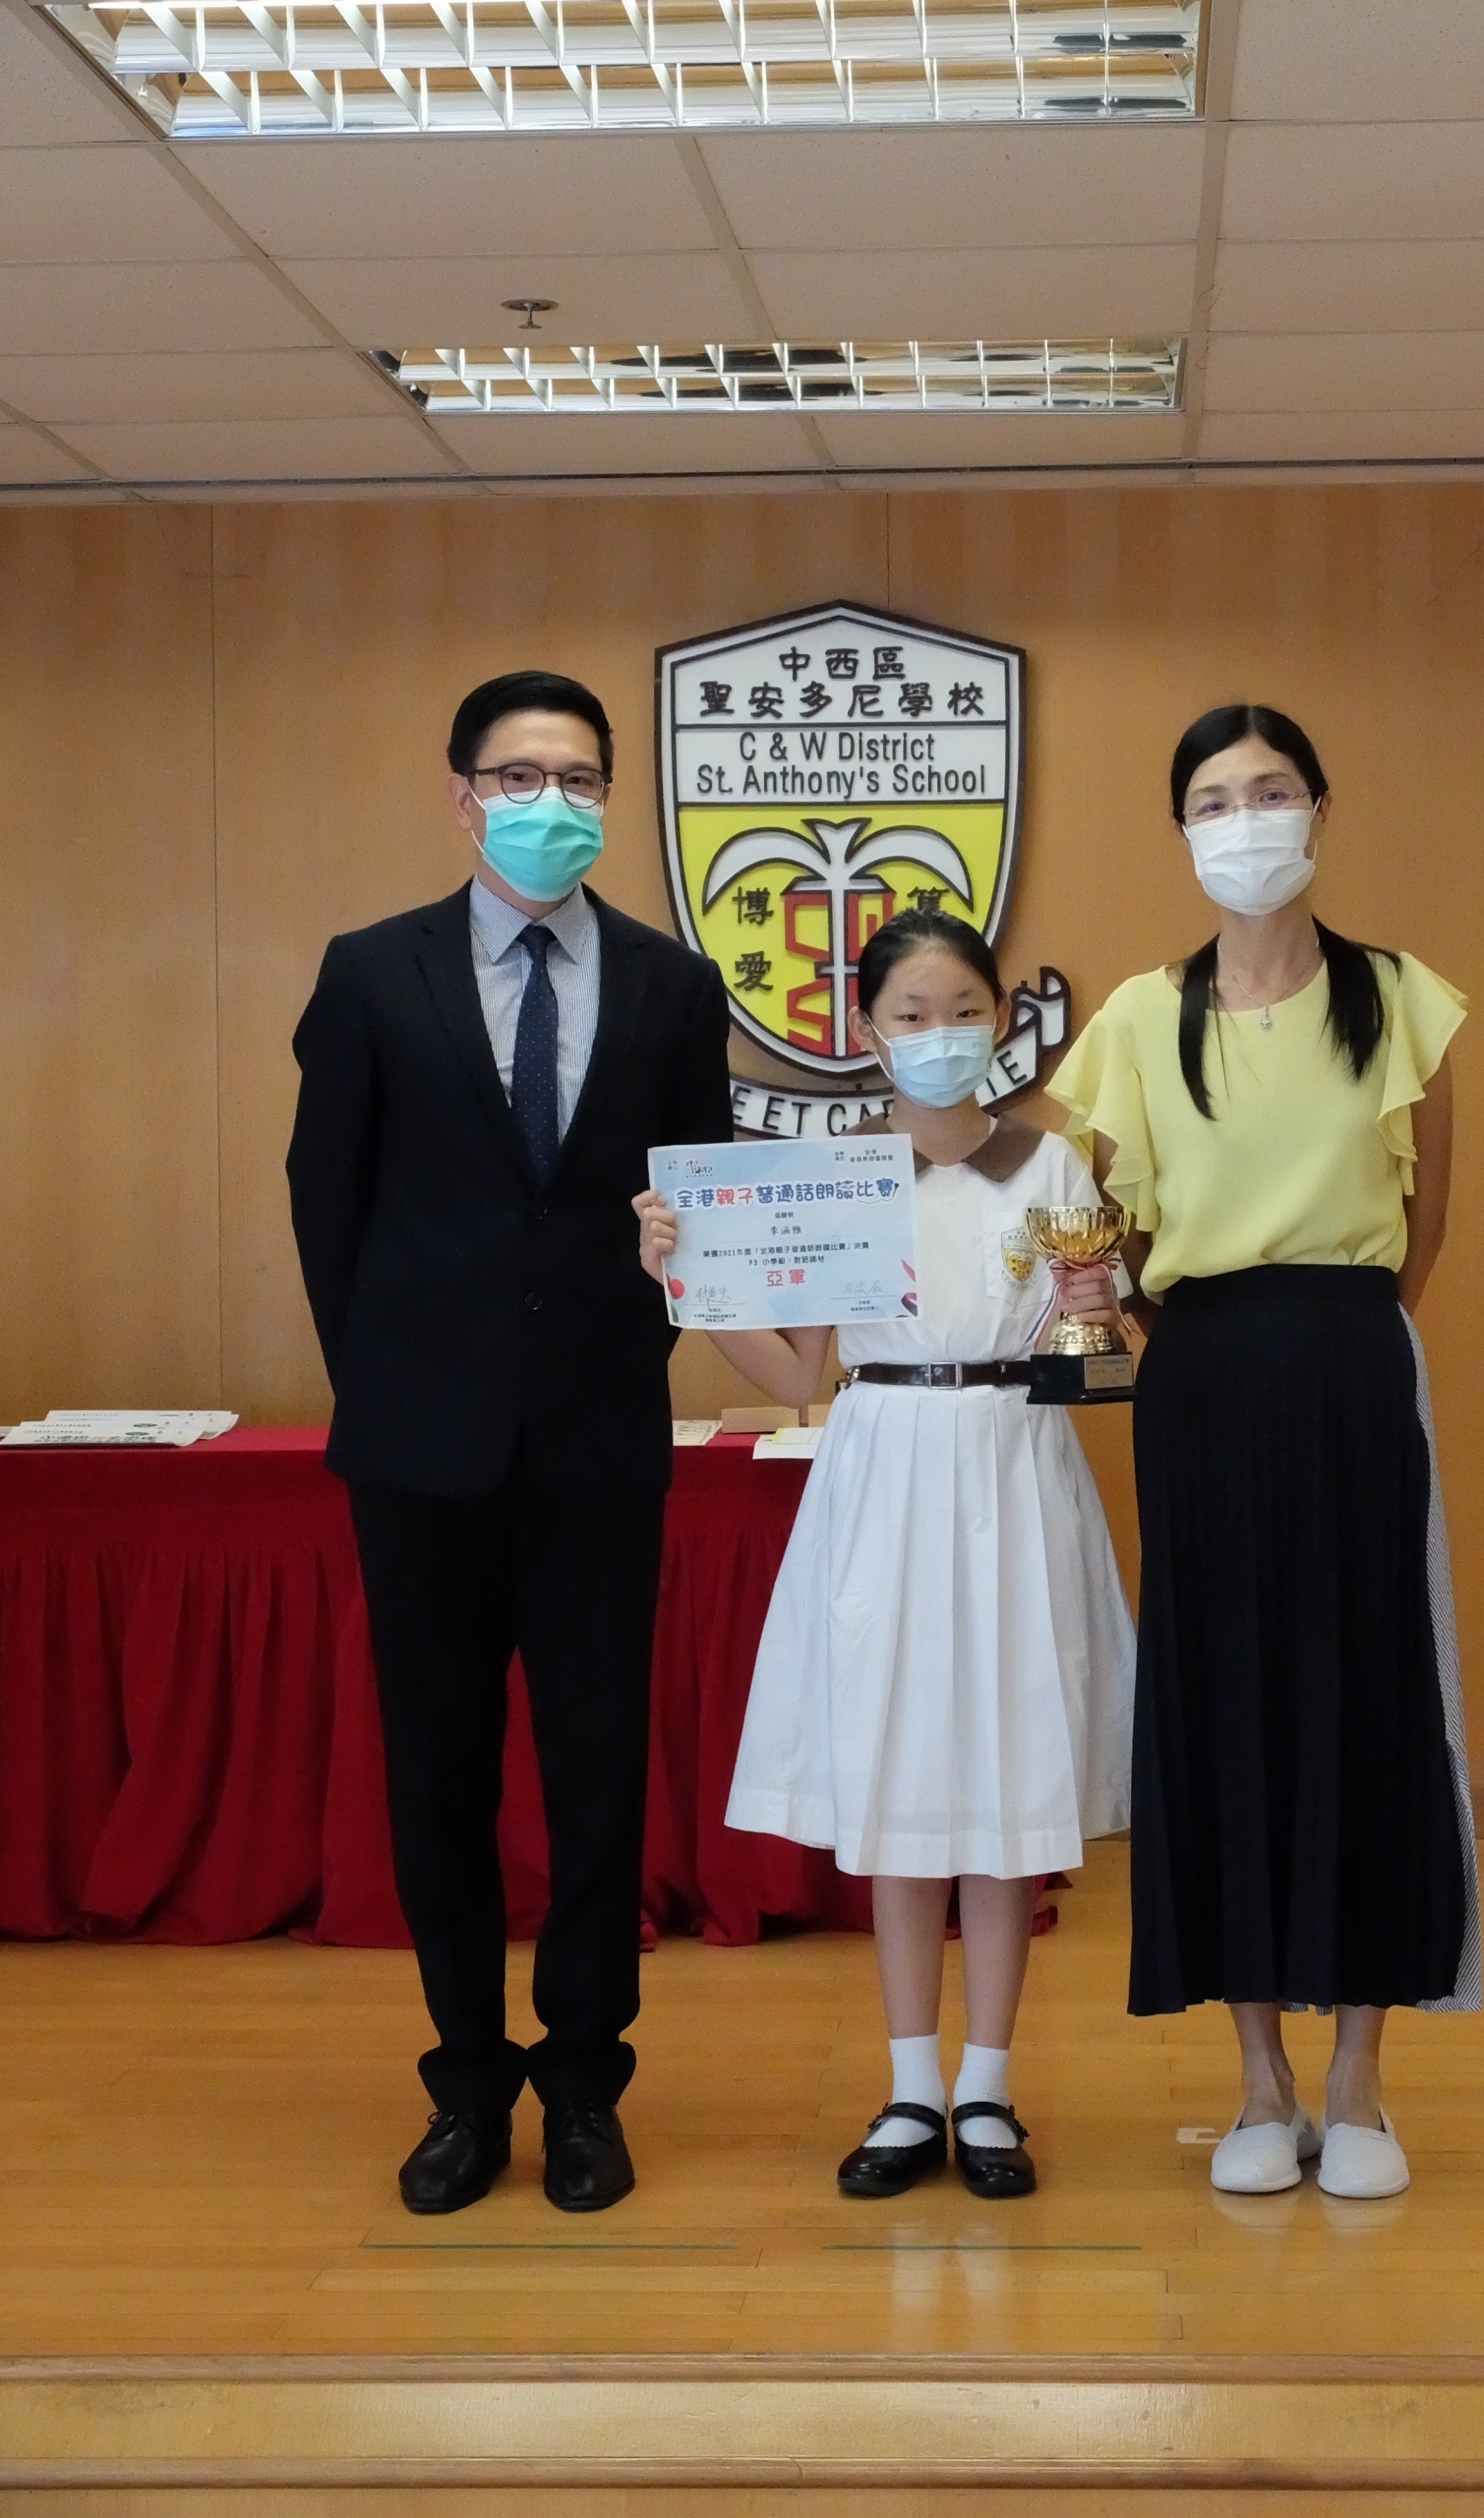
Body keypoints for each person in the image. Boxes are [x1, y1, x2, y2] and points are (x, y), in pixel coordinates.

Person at [287, 668, 732, 2217]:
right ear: (462, 795)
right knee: (439, 1778)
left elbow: (696, 1212)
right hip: (420, 1451)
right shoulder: (370, 973)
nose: (552, 802)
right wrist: (393, 1385)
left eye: (580, 778)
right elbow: (326, 1206)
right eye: (519, 776)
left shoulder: (674, 986)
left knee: (600, 1775)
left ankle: (587, 2083)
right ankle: (467, 2084)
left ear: (610, 798)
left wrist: (621, 1359)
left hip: (600, 1443)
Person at [634, 907, 1136, 2200]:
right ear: (868, 1031)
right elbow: (795, 1372)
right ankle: (913, 2086)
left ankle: (988, 2088)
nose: (938, 1035)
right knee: (905, 1784)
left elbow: (1098, 1372)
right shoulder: (839, 1178)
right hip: (884, 1472)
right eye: (911, 1015)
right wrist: (689, 1281)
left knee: (1005, 1789)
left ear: (1000, 1021)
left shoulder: (1055, 1167)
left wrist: (1092, 1319)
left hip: (1014, 1466)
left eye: (963, 1011)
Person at [1049, 703, 1479, 2203]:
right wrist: (1189, 1331)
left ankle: (1359, 2077)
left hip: (1354, 1361)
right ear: (1182, 831)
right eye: (1216, 799)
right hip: (1204, 1378)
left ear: (1319, 809)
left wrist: (1334, 1335)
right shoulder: (1135, 1019)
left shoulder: (1399, 997)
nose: (1246, 820)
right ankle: (1256, 2079)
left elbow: (1425, 1227)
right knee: (1219, 1694)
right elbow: (1105, 1241)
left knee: (1370, 1692)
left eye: (1272, 789)